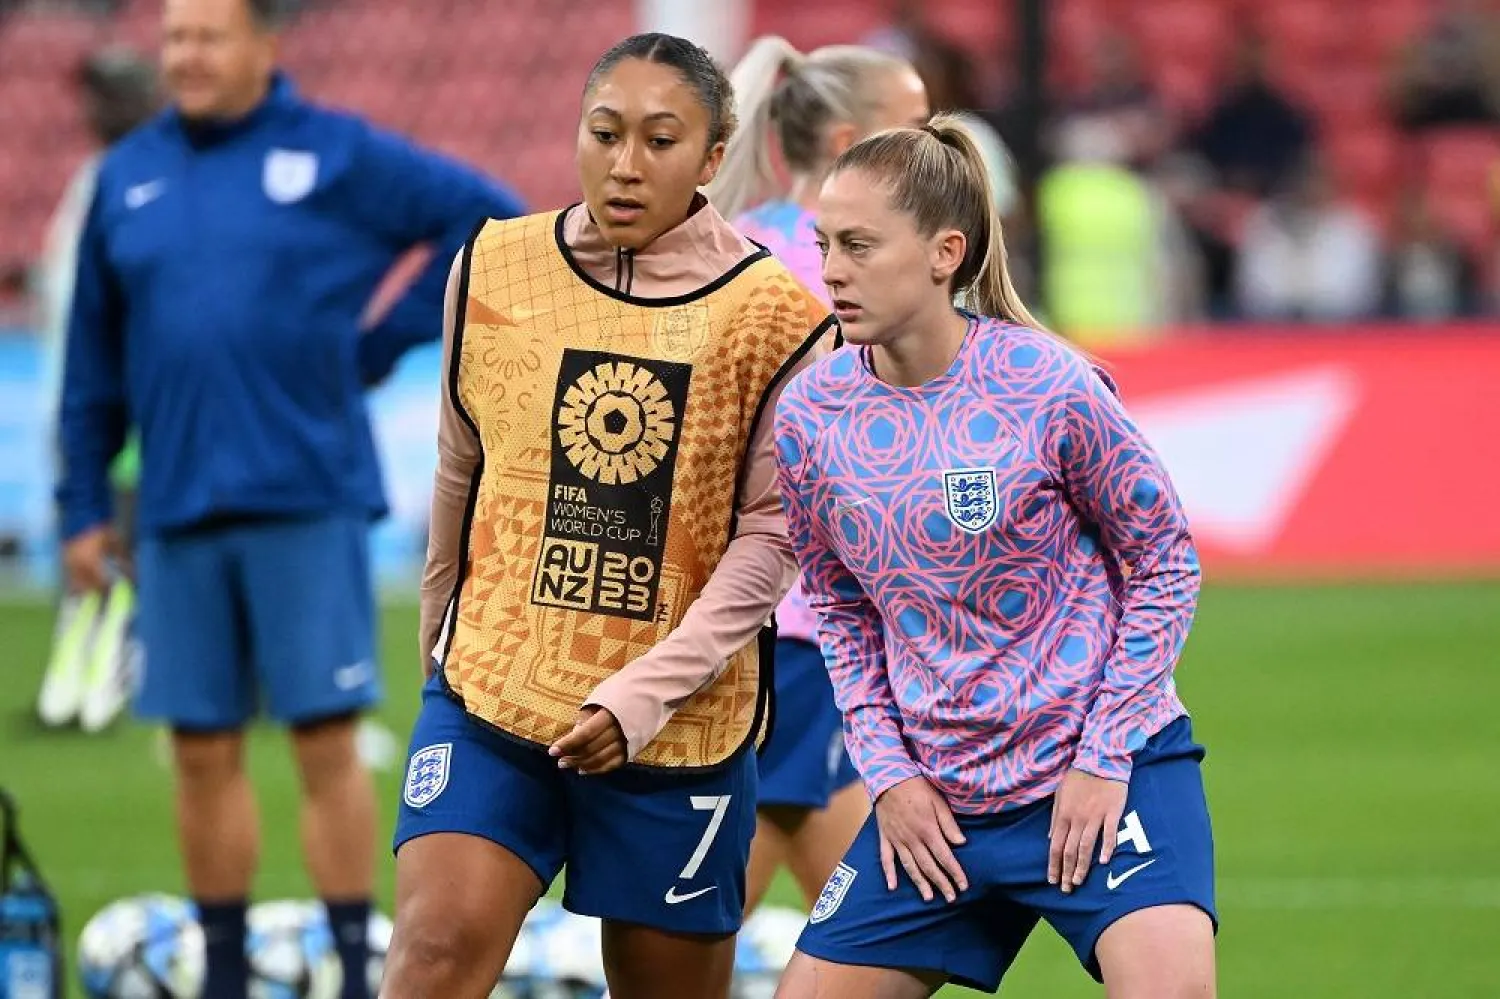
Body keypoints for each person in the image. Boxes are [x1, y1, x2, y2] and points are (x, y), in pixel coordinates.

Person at [54, 0, 525, 996]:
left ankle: (356, 966)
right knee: (199, 747)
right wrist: (82, 505)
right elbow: (91, 354)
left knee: (323, 738)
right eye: (174, 38)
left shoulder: (335, 153)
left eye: (208, 37)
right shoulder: (126, 177)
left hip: (306, 492)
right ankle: (225, 972)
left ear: (265, 45)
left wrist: (379, 341)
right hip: (176, 503)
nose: (185, 55)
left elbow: (482, 213)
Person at [381, 32, 834, 999]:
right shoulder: (496, 266)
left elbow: (772, 539)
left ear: (714, 160)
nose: (626, 164)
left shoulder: (778, 319)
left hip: (678, 733)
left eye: (661, 140)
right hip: (491, 701)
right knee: (429, 957)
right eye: (606, 132)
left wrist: (643, 694)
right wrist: (441, 640)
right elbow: (465, 459)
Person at [771, 115, 1216, 998]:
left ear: (946, 253)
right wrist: (890, 777)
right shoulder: (809, 416)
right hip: (936, 804)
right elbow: (841, 611)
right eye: (825, 244)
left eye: (860, 245)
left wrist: (1104, 755)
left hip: (1106, 775)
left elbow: (1163, 560)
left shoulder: (1049, 383)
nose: (832, 270)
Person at [705, 35, 927, 916]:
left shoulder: (730, 246)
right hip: (809, 625)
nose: (936, 149)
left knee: (738, 898)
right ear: (846, 145)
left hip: (744, 617)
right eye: (912, 128)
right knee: (889, 913)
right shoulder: (852, 271)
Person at [34, 47, 159, 733]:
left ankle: (112, 677)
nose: (95, 109)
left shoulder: (137, 181)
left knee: (119, 542)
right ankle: (77, 680)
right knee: (91, 539)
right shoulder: (103, 179)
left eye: (109, 95)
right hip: (76, 399)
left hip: (120, 408)